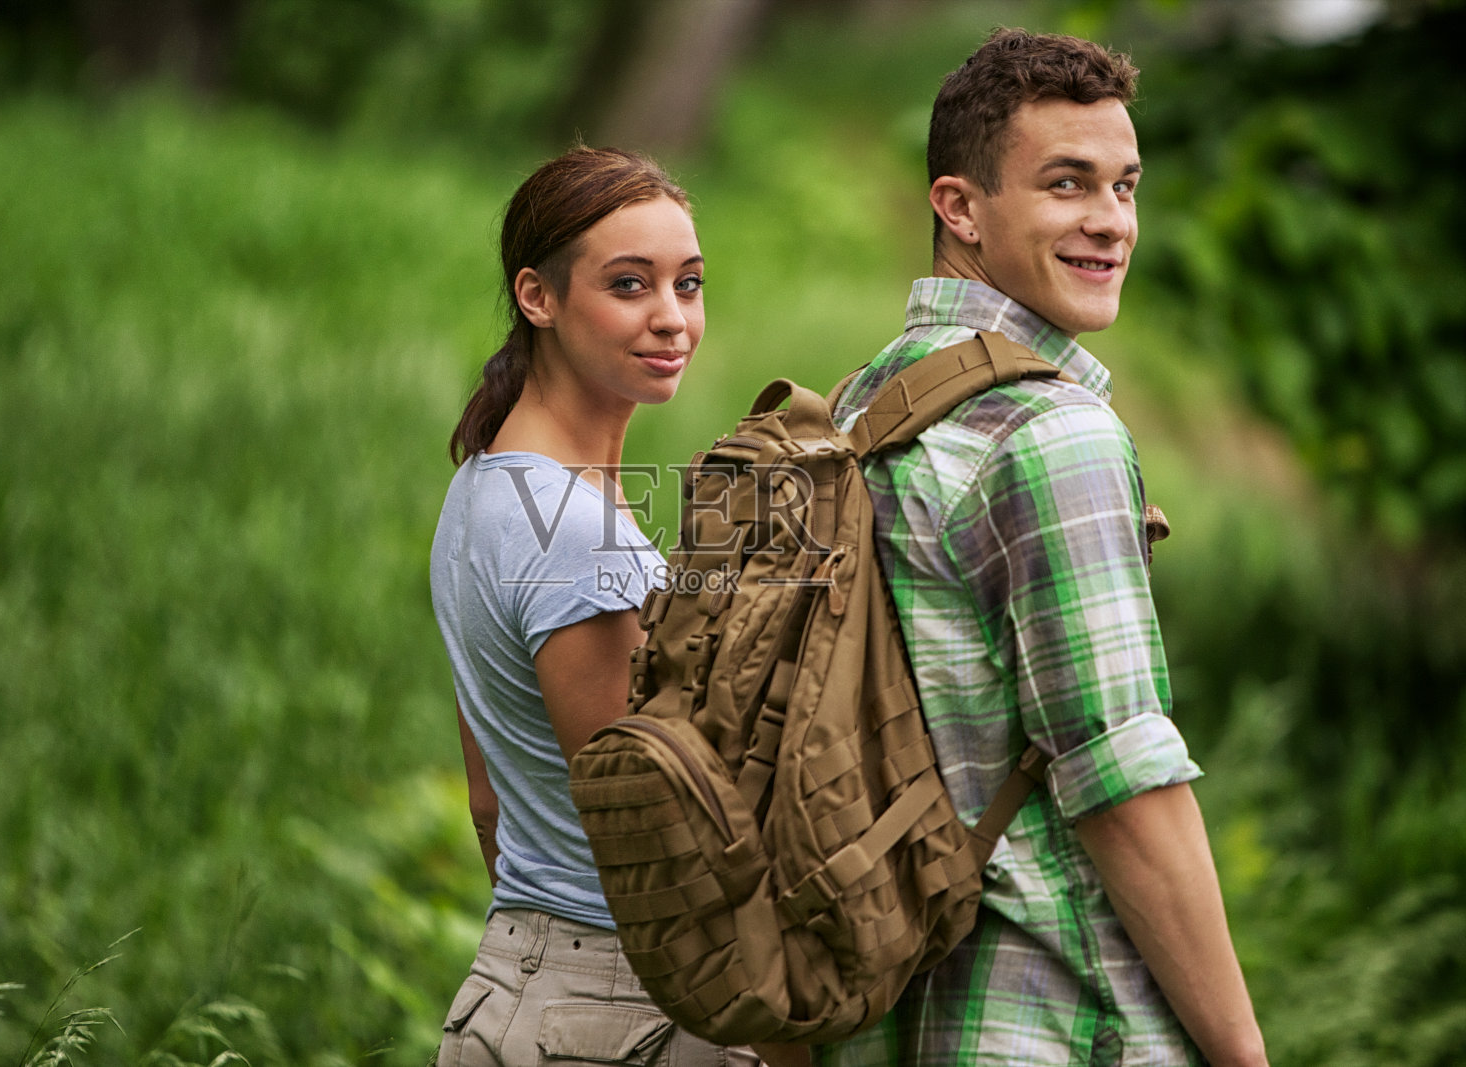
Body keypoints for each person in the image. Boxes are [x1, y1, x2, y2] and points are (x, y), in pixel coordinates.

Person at [816, 29, 1270, 1067]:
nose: (1110, 222)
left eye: (1125, 186)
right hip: (1060, 1010)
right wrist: (1244, 1052)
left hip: (902, 1001)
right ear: (959, 206)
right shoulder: (1048, 432)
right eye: (1067, 184)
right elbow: (1119, 775)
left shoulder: (867, 401)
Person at [430, 146, 758, 1067]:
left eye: (688, 284)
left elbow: (490, 802)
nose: (672, 318)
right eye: (629, 284)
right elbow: (656, 836)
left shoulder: (484, 490)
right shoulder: (577, 534)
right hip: (624, 1008)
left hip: (515, 987)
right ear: (538, 296)